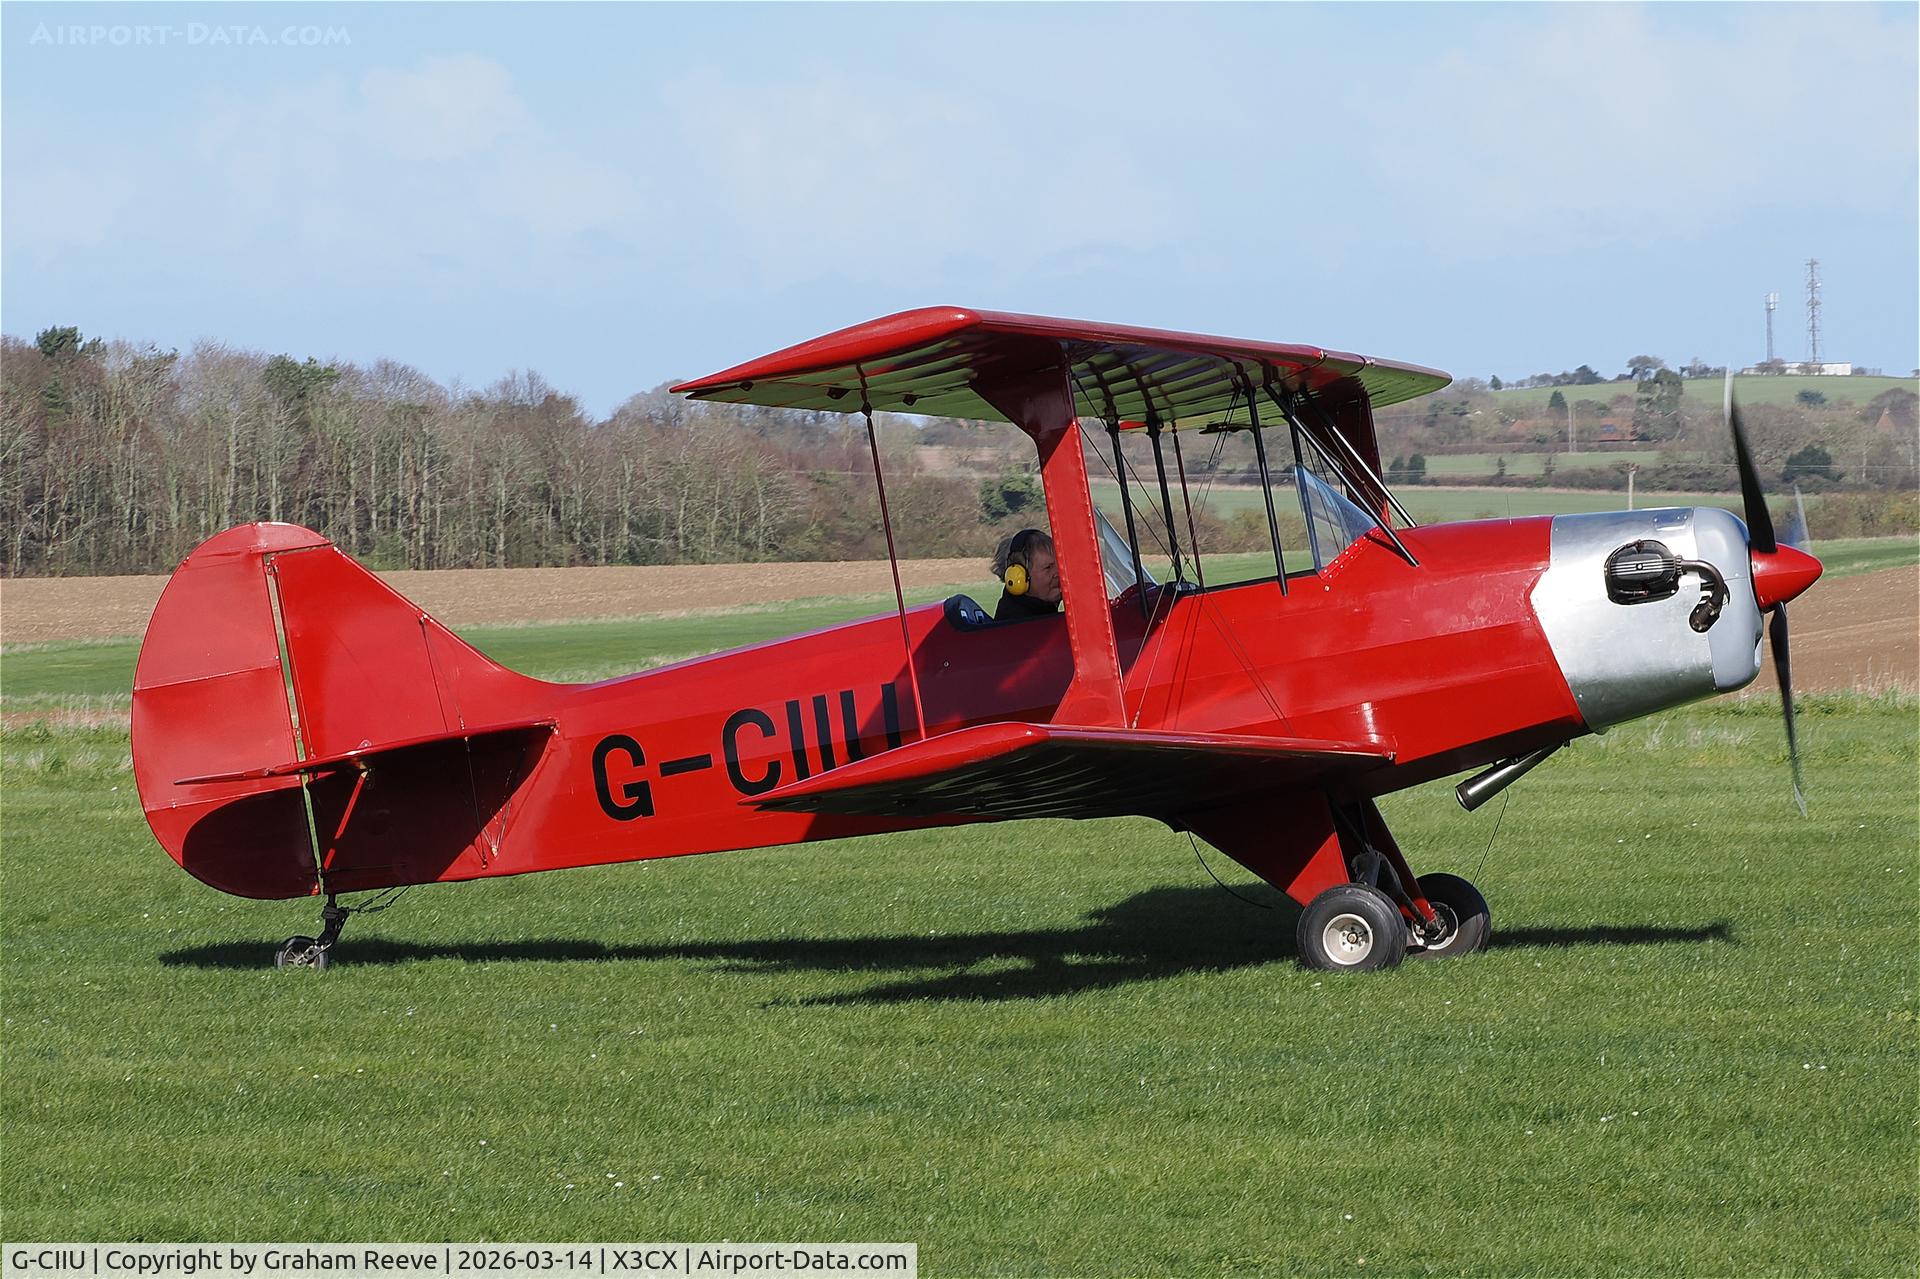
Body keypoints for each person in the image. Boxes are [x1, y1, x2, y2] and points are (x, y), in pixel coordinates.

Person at [991, 528, 1062, 621]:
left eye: (1060, 564)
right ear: (1020, 577)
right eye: (1048, 567)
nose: (1058, 573)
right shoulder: (1017, 625)